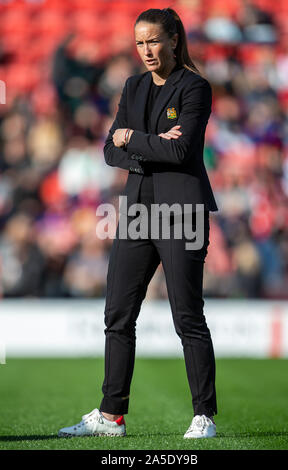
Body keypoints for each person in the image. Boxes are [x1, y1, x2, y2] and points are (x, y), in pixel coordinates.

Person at [58, 7, 218, 439]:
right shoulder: (132, 87)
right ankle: (112, 417)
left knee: (187, 316)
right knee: (118, 313)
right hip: (136, 211)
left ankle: (204, 415)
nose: (146, 50)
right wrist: (146, 144)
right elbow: (111, 149)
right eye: (139, 43)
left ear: (173, 41)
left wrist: (134, 139)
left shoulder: (196, 87)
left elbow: (182, 152)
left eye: (153, 41)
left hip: (183, 211)